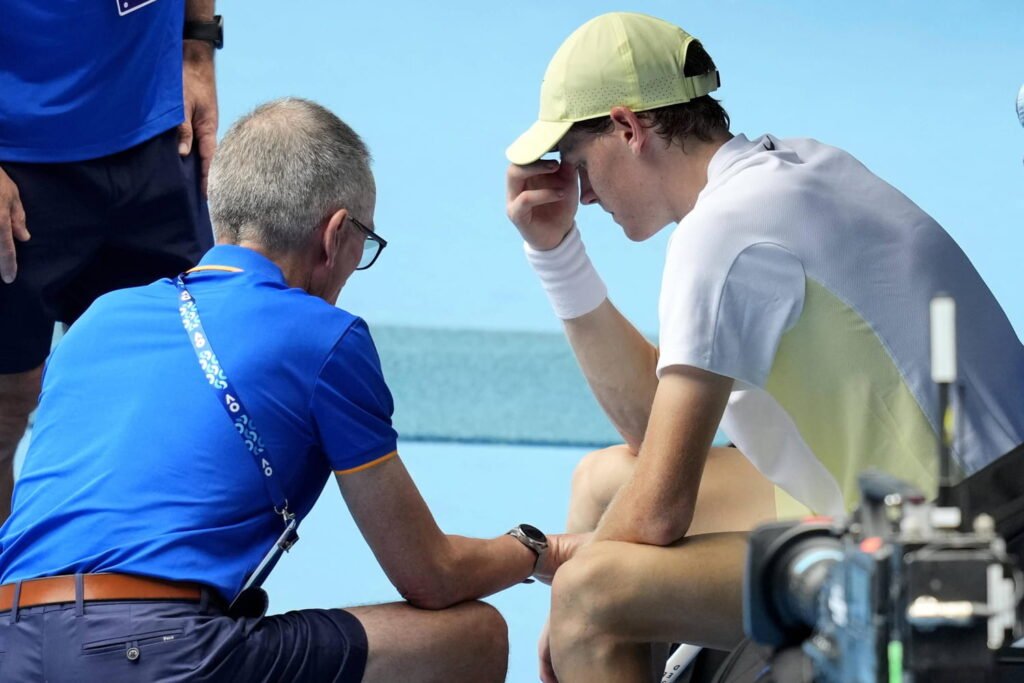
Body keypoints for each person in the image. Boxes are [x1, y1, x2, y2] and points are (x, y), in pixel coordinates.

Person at [503, 12, 1024, 683]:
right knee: (601, 483)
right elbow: (653, 428)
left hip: (961, 547)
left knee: (588, 597)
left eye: (579, 163)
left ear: (628, 128)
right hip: (966, 495)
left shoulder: (721, 233)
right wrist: (556, 254)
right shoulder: (800, 165)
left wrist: (558, 568)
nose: (585, 192)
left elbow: (658, 511)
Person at [0, 98, 577, 682]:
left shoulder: (99, 318)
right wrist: (535, 549)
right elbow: (431, 576)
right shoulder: (324, 336)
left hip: (9, 646)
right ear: (336, 234)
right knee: (472, 636)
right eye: (364, 243)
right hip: (159, 650)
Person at [0, 0, 221, 524]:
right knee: (6, 406)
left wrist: (196, 47)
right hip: (17, 153)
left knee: (156, 400)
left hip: (156, 134)